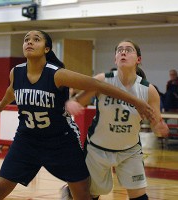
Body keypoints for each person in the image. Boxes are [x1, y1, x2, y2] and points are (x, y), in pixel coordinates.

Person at [0, 30, 156, 200]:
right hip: (26, 141)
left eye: (36, 39)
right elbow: (12, 90)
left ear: (46, 49)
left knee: (82, 196)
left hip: (60, 142)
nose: (29, 42)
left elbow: (98, 85)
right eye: (26, 39)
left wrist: (137, 101)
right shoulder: (16, 72)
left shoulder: (57, 74)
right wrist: (1, 105)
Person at [63, 39, 169, 200]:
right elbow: (79, 101)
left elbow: (156, 123)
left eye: (128, 50)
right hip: (98, 149)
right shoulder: (103, 80)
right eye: (119, 50)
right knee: (92, 193)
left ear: (138, 59)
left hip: (130, 150)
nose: (123, 52)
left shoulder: (149, 90)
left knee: (139, 195)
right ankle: (70, 192)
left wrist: (159, 129)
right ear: (115, 59)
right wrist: (72, 103)